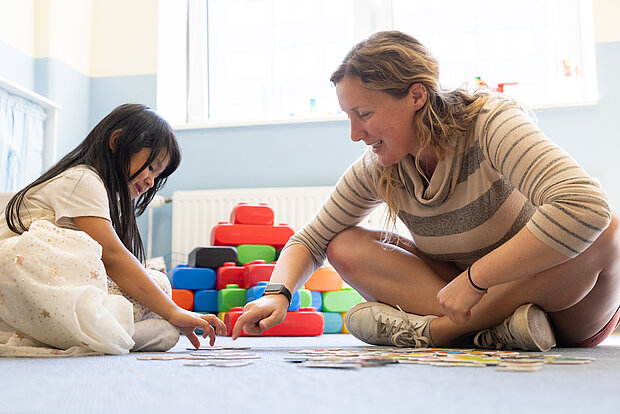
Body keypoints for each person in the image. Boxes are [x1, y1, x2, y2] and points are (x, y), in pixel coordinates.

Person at [232, 30, 620, 351]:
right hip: (464, 301)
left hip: (562, 308)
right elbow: (312, 240)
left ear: (417, 96)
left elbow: (584, 205)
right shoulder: (380, 164)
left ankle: (443, 334)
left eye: (364, 115)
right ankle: (490, 333)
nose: (354, 134)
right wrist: (277, 293)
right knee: (343, 244)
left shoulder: (489, 122)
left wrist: (474, 281)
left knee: (607, 229)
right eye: (348, 118)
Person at [0, 103, 225, 357]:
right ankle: (105, 334)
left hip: (57, 292)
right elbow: (112, 256)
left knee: (160, 286)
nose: (151, 182)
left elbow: (114, 263)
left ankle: (102, 334)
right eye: (151, 167)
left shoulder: (106, 195)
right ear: (117, 141)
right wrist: (173, 311)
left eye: (157, 175)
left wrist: (171, 311)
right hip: (21, 276)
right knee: (159, 308)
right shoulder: (82, 179)